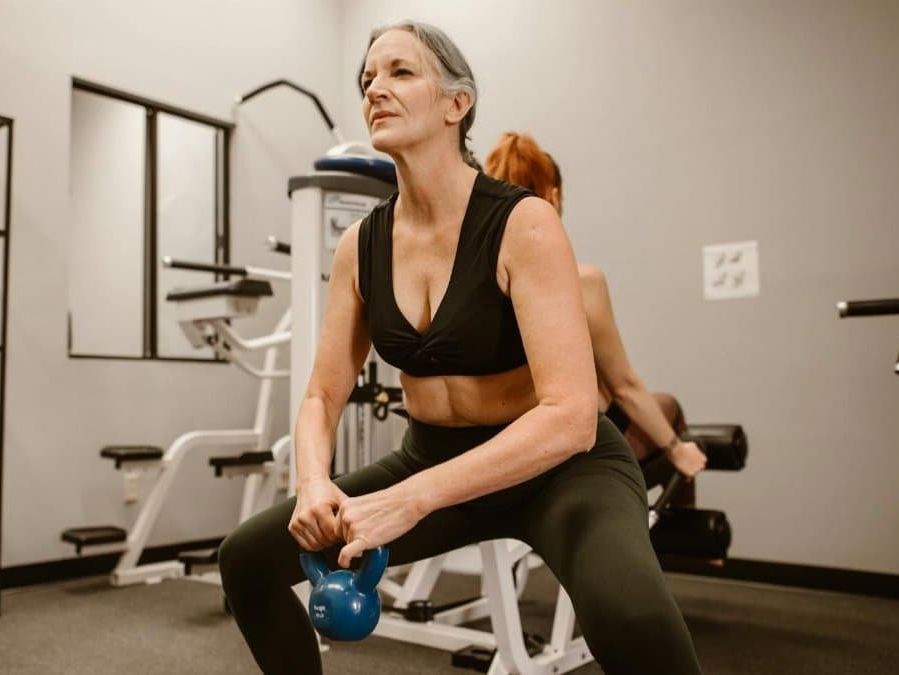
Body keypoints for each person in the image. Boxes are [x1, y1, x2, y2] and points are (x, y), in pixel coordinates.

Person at [218, 21, 702, 675]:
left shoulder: (524, 223)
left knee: (634, 616)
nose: (375, 89)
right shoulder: (360, 246)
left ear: (457, 103)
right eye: (367, 79)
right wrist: (312, 484)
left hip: (558, 469)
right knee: (246, 557)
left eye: (400, 72)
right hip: (431, 454)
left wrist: (413, 498)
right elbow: (321, 393)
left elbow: (569, 416)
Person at [484, 132, 706, 496]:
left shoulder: (477, 280)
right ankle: (698, 553)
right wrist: (676, 450)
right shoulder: (580, 280)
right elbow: (625, 387)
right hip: (571, 447)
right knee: (669, 408)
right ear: (552, 196)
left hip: (501, 441)